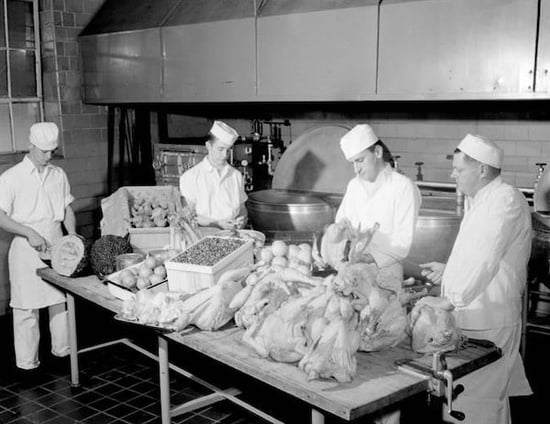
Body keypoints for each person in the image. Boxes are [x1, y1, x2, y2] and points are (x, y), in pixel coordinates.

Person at [419, 134, 532, 423]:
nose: (452, 174)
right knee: (480, 403)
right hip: (474, 319)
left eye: (458, 169)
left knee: (473, 406)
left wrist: (449, 299)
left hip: (490, 322)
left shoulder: (505, 199)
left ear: (482, 170)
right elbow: (483, 254)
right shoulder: (481, 199)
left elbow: (484, 260)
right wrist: (449, 270)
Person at [0, 122, 76, 371]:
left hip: (56, 244)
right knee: (26, 308)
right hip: (25, 248)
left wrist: (73, 236)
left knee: (60, 302)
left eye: (52, 151)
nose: (49, 156)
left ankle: (63, 354)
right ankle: (27, 365)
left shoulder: (58, 175)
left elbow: (66, 209)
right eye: (44, 151)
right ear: (30, 146)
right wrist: (28, 232)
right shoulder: (11, 178)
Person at [336, 124, 421, 290]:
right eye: (353, 163)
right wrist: (338, 236)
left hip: (385, 278)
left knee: (382, 314)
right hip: (351, 277)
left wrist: (370, 257)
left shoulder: (403, 187)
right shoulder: (354, 185)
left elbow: (402, 243)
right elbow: (341, 223)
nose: (356, 169)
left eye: (360, 160)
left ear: (378, 152)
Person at [179, 120, 247, 231]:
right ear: (208, 146)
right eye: (220, 149)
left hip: (232, 235)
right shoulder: (191, 177)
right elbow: (188, 217)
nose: (225, 155)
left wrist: (242, 219)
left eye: (228, 150)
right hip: (203, 236)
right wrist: (216, 223)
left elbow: (243, 208)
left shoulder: (236, 176)